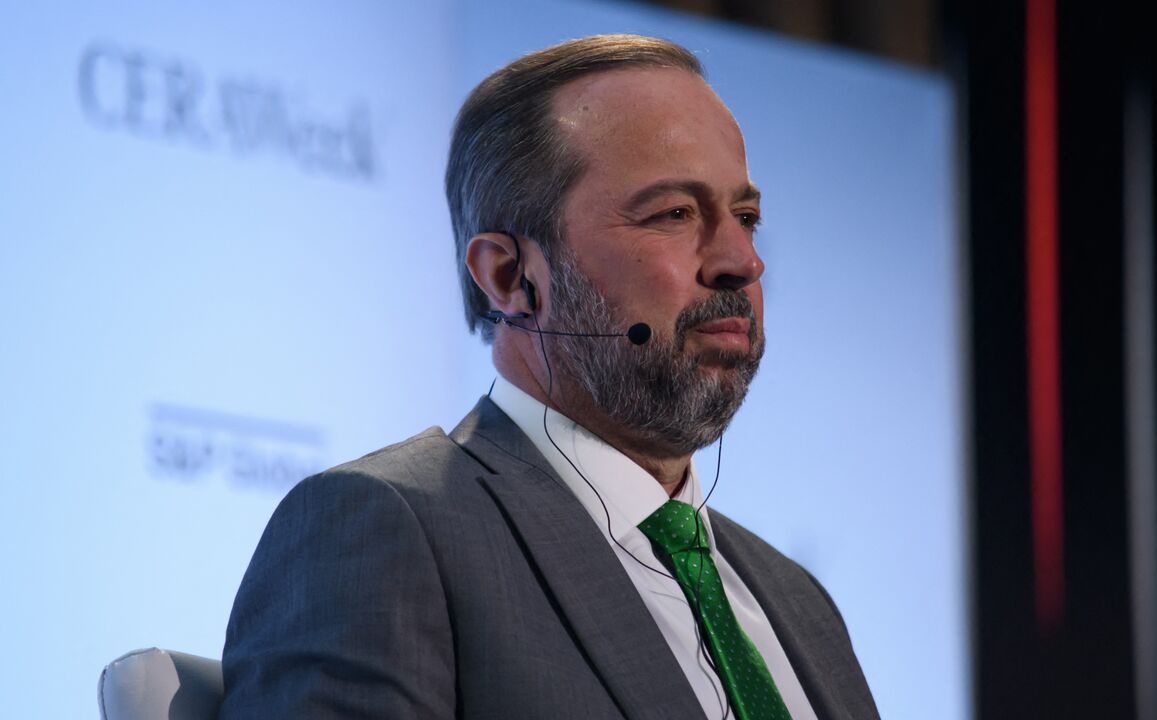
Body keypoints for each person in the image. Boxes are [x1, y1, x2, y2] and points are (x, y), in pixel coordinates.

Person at [218, 34, 879, 719]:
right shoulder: (390, 531)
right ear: (510, 277)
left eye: (746, 218)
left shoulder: (799, 601)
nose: (742, 260)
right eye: (674, 214)